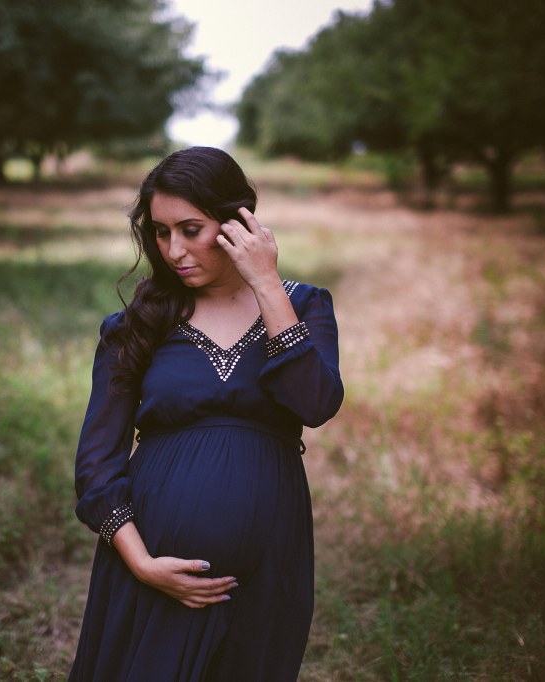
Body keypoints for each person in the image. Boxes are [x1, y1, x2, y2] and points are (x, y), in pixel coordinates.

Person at [69, 147, 344, 681]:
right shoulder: (136, 325)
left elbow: (316, 404)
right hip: (154, 565)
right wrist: (144, 565)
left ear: (237, 221)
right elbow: (97, 462)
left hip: (268, 558)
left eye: (191, 229)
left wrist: (265, 283)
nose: (173, 250)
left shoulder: (302, 305)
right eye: (160, 232)